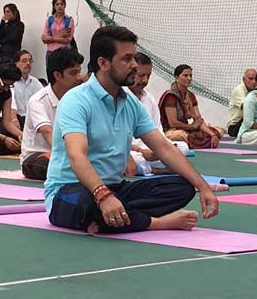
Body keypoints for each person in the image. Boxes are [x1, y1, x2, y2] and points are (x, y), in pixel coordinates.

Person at [45, 26, 219, 234]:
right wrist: (102, 195)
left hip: (115, 188)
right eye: (126, 59)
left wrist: (203, 186)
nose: (135, 65)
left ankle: (110, 220)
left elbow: (163, 147)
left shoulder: (130, 103)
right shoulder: (76, 101)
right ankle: (156, 222)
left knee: (182, 187)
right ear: (103, 63)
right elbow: (76, 155)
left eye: (134, 58)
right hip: (70, 191)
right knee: (88, 203)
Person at [20, 48, 83, 180]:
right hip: (40, 155)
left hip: (70, 153)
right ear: (57, 75)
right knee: (50, 164)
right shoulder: (38, 101)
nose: (79, 78)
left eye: (79, 72)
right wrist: (75, 157)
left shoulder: (79, 99)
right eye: (73, 73)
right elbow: (48, 133)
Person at [126, 52, 190, 176]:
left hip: (152, 147)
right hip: (132, 151)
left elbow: (157, 130)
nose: (145, 80)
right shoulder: (121, 97)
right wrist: (141, 150)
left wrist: (160, 148)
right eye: (141, 76)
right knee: (134, 160)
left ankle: (151, 167)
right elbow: (117, 140)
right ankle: (157, 170)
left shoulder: (149, 98)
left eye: (148, 76)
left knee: (182, 148)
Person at [159, 64, 222, 148]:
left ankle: (196, 142)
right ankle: (198, 142)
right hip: (170, 130)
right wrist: (191, 126)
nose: (189, 78)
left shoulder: (191, 96)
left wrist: (213, 135)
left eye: (190, 75)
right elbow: (172, 123)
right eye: (185, 75)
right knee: (180, 135)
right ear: (176, 78)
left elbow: (198, 119)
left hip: (187, 129)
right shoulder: (170, 96)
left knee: (219, 131)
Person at [10, 50, 43, 129]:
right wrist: (14, 119)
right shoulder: (11, 81)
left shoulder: (35, 82)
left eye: (30, 61)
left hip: (30, 118)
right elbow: (11, 104)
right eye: (24, 61)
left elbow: (43, 99)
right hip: (12, 117)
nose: (28, 63)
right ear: (15, 64)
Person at [41, 0, 75, 66]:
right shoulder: (49, 20)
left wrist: (51, 38)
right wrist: (61, 36)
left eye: (61, 4)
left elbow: (67, 40)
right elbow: (44, 39)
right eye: (57, 4)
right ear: (54, 6)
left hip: (64, 52)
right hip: (51, 52)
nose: (59, 6)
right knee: (51, 75)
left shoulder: (69, 20)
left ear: (65, 5)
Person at [227, 68, 257, 137]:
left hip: (248, 123)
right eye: (250, 79)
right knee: (253, 113)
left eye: (255, 79)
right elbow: (247, 108)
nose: (253, 82)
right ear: (244, 79)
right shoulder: (239, 90)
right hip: (235, 127)